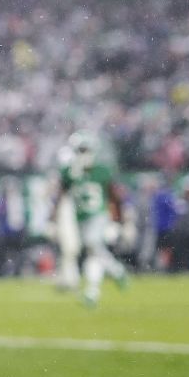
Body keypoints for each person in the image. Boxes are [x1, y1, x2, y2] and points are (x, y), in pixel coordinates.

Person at [55, 131, 128, 308]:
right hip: (80, 219)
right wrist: (54, 218)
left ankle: (116, 271)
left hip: (99, 216)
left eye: (85, 149)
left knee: (92, 244)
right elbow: (61, 195)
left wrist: (120, 220)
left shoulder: (102, 170)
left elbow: (114, 197)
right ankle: (93, 292)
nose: (83, 154)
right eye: (80, 150)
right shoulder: (70, 172)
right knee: (93, 254)